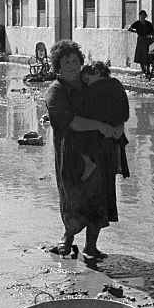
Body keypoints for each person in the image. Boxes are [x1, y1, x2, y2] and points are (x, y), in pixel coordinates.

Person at [45, 40, 127, 261]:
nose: (72, 66)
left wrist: (118, 126)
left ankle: (91, 246)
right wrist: (101, 125)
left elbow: (113, 106)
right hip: (71, 153)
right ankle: (68, 237)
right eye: (66, 62)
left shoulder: (92, 84)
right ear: (58, 66)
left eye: (75, 61)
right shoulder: (56, 91)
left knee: (99, 197)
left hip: (100, 149)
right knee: (73, 197)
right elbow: (71, 122)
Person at [73, 61, 131, 181]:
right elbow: (123, 110)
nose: (87, 84)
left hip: (99, 130)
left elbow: (86, 111)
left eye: (88, 80)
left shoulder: (96, 89)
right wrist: (119, 124)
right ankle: (119, 162)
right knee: (119, 139)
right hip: (117, 125)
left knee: (72, 131)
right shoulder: (117, 84)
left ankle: (87, 161)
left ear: (97, 73)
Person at [128, 10, 154, 76]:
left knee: (148, 54)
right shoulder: (137, 23)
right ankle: (143, 70)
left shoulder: (148, 23)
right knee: (140, 55)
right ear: (139, 16)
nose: (142, 16)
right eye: (141, 15)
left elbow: (153, 31)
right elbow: (129, 29)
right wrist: (136, 32)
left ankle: (148, 70)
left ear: (146, 16)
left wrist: (149, 35)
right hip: (140, 40)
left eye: (144, 15)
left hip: (147, 40)